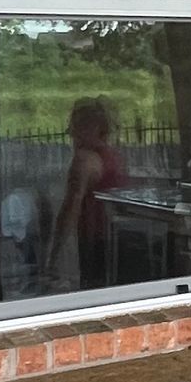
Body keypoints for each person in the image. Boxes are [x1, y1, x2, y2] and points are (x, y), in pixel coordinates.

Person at [49, 98, 127, 290]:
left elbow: (71, 206)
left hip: (94, 240)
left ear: (90, 128)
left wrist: (54, 254)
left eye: (75, 126)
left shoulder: (84, 160)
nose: (71, 134)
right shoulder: (114, 156)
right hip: (117, 238)